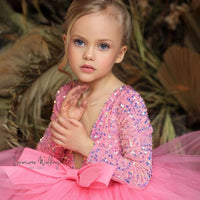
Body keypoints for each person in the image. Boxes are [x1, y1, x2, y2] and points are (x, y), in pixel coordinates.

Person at [0, 0, 200, 199]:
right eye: (79, 42)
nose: (88, 55)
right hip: (63, 189)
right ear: (65, 42)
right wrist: (61, 125)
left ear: (119, 54)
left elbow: (139, 176)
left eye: (103, 46)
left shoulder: (129, 101)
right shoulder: (66, 93)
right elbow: (44, 161)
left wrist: (85, 146)